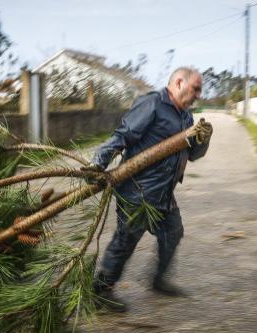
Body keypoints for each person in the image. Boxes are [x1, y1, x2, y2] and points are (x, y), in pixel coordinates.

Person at [87, 67, 212, 312]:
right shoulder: (153, 104)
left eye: (199, 90)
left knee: (173, 233)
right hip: (137, 192)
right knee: (126, 241)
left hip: (163, 194)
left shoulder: (186, 117)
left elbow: (192, 155)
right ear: (179, 82)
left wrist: (203, 140)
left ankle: (158, 281)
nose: (198, 95)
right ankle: (102, 290)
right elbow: (123, 135)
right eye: (195, 88)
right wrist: (97, 164)